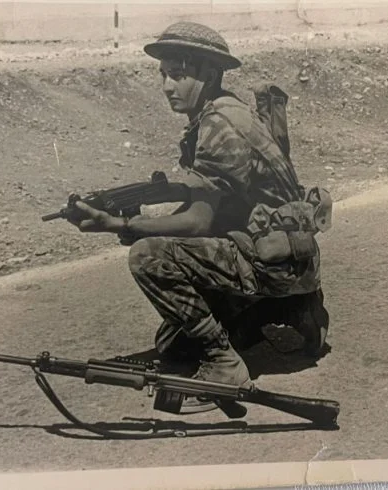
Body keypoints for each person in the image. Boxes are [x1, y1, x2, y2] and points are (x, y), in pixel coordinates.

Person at [67, 21, 329, 413]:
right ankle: (289, 310)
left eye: (177, 74)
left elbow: (199, 223)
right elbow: (209, 204)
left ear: (208, 73)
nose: (167, 86)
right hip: (289, 260)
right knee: (174, 342)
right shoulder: (226, 111)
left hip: (274, 265)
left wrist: (124, 226)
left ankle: (224, 365)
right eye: (163, 76)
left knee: (149, 256)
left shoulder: (219, 125)